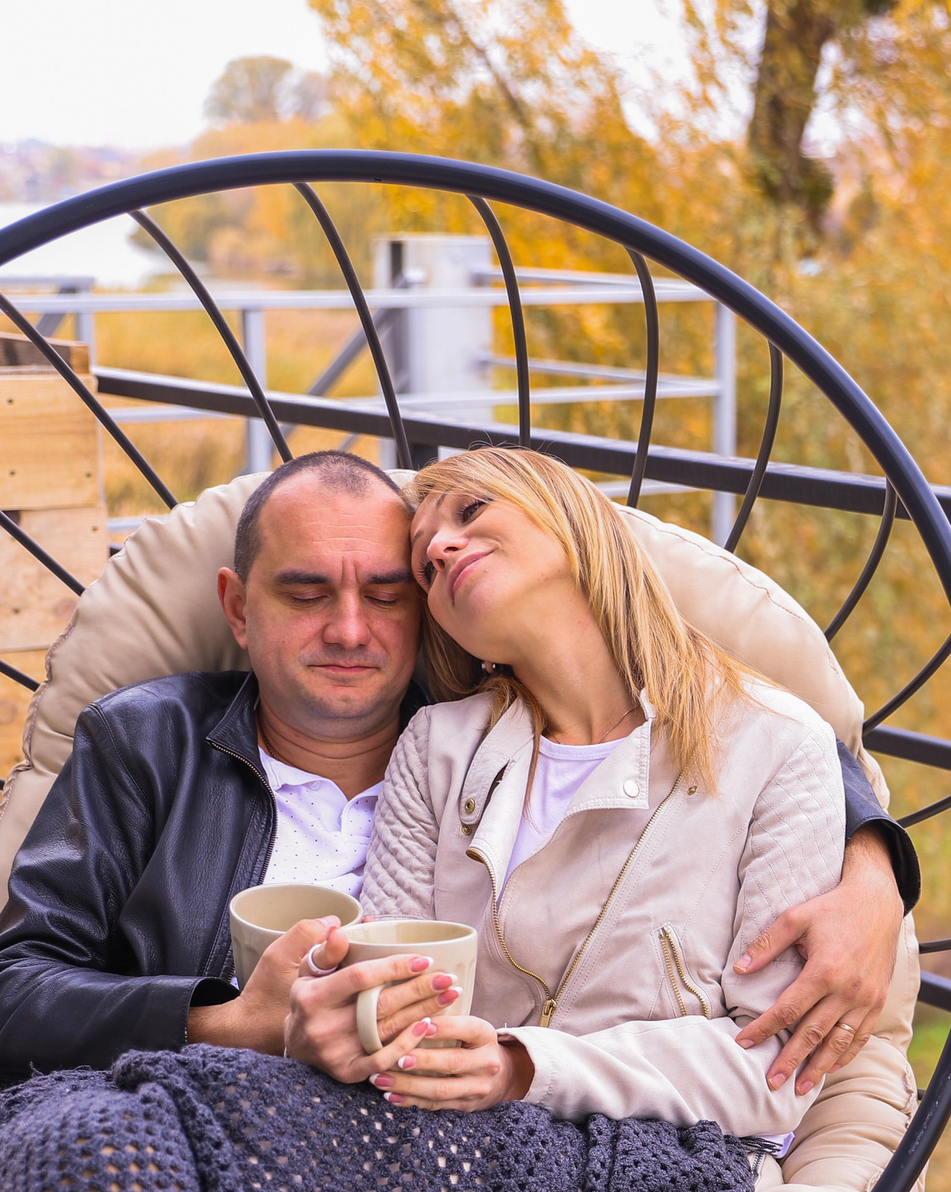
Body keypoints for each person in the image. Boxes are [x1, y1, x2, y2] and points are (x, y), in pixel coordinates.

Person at [0, 448, 918, 1192]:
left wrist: (875, 873)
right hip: (182, 1116)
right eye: (304, 593)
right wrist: (225, 1020)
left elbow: (750, 735)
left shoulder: (468, 725)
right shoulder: (151, 741)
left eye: (391, 591)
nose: (352, 627)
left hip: (428, 1147)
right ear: (238, 613)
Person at [284, 446, 851, 1136]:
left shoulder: (777, 744)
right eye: (424, 565)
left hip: (656, 1166)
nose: (441, 545)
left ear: (574, 519)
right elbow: (392, 988)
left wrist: (524, 1067)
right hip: (437, 1142)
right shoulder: (436, 746)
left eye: (472, 509)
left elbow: (772, 1068)